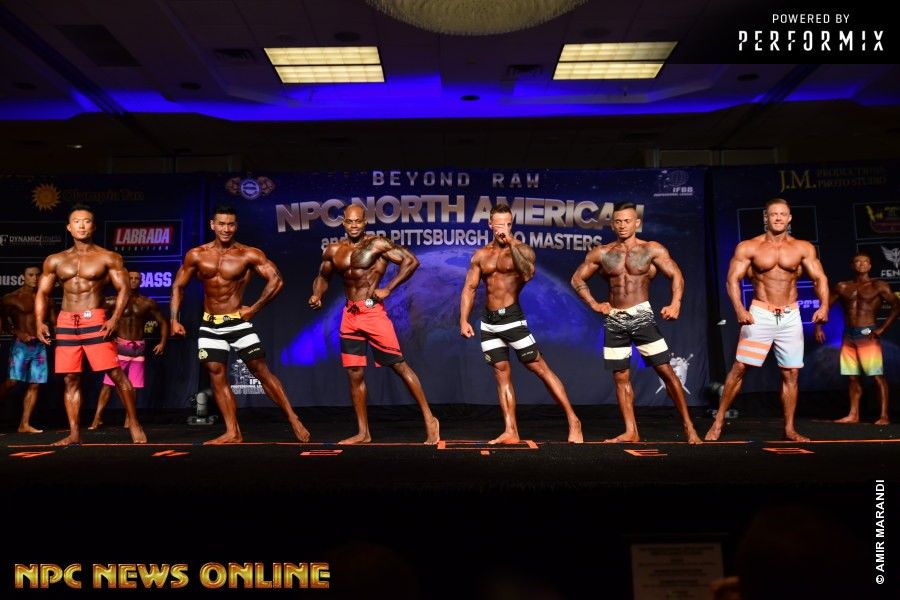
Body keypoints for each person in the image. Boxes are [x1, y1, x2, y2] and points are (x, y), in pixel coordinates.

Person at [170, 204, 309, 444]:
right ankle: (232, 431)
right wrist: (174, 319)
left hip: (237, 322)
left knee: (261, 370)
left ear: (236, 226)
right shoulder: (197, 255)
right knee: (217, 375)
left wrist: (254, 308)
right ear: (212, 225)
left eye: (230, 224)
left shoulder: (248, 254)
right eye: (221, 224)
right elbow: (178, 286)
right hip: (209, 325)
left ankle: (293, 418)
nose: (226, 229)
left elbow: (276, 281)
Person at [571, 202, 701, 444]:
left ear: (637, 223)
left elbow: (676, 274)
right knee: (620, 376)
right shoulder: (603, 253)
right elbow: (577, 279)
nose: (622, 225)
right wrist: (594, 304)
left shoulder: (651, 249)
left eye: (627, 221)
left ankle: (688, 426)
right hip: (614, 318)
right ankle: (631, 431)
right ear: (613, 224)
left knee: (665, 370)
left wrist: (675, 303)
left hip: (641, 315)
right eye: (618, 221)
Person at [309, 204, 439, 444]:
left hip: (372, 313)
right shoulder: (334, 250)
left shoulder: (377, 244)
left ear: (365, 222)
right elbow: (322, 277)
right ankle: (363, 432)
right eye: (350, 221)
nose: (354, 225)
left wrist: (388, 288)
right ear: (343, 223)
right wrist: (317, 294)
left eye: (358, 221)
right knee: (354, 372)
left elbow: (411, 261)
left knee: (398, 365)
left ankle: (430, 420)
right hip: (350, 315)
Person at [705, 198, 828, 441]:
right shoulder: (749, 247)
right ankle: (718, 421)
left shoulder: (802, 248)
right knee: (740, 367)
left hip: (790, 315)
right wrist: (739, 309)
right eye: (774, 214)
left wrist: (824, 306)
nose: (778, 218)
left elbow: (820, 278)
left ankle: (789, 429)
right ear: (766, 218)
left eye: (783, 214)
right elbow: (732, 280)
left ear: (789, 218)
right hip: (760, 314)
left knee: (791, 373)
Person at [460, 204, 582, 444]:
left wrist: (512, 243)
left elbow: (527, 274)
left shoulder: (522, 250)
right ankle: (511, 430)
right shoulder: (481, 255)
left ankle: (573, 420)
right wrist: (463, 319)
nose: (502, 228)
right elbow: (469, 288)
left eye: (507, 224)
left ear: (511, 224)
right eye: (498, 224)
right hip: (489, 322)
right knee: (501, 373)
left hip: (512, 319)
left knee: (539, 368)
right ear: (490, 224)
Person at [34, 204, 147, 445]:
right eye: (77, 221)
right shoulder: (55, 260)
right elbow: (42, 293)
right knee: (70, 378)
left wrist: (114, 319)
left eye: (86, 221)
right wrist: (39, 321)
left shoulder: (108, 257)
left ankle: (134, 423)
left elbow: (124, 289)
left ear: (93, 226)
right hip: (66, 320)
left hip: (95, 318)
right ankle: (74, 433)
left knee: (115, 373)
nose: (82, 226)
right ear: (69, 227)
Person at [814, 252, 899, 425]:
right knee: (852, 377)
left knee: (876, 376)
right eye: (857, 262)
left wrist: (882, 328)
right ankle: (853, 415)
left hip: (868, 334)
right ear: (852, 266)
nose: (861, 264)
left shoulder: (878, 285)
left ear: (870, 266)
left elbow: (897, 306)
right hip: (848, 335)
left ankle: (884, 416)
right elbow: (825, 307)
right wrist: (818, 327)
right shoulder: (843, 286)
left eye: (865, 262)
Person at [89, 271, 169, 429]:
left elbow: (163, 322)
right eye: (130, 278)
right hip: (119, 347)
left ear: (141, 281)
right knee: (108, 384)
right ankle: (97, 418)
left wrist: (162, 343)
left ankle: (129, 419)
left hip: (138, 348)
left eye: (136, 278)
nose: (133, 281)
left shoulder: (147, 303)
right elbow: (94, 313)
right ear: (125, 280)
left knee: (133, 386)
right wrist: (102, 335)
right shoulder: (114, 301)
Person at [1, 266, 53, 433]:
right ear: (23, 277)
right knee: (12, 382)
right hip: (20, 346)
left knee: (35, 383)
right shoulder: (11, 298)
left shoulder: (47, 298)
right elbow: (3, 323)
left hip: (39, 346)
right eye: (31, 275)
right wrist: (18, 332)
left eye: (38, 275)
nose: (35, 278)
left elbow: (54, 323)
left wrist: (49, 333)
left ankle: (24, 424)